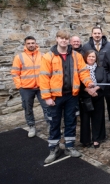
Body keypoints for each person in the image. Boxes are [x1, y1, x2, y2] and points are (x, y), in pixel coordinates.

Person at [40, 30, 94, 164]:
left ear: (69, 41)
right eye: (61, 38)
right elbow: (43, 78)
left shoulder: (76, 56)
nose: (63, 41)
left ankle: (69, 147)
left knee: (71, 122)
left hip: (71, 95)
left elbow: (83, 72)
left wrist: (88, 82)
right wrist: (47, 97)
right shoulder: (48, 57)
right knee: (54, 123)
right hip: (55, 97)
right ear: (57, 39)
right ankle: (53, 148)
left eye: (66, 39)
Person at [11, 36, 50, 137]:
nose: (31, 45)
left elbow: (48, 70)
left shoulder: (43, 55)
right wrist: (19, 86)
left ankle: (50, 125)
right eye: (28, 43)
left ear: (36, 44)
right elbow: (15, 73)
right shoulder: (19, 57)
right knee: (28, 108)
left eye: (32, 43)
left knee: (47, 107)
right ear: (25, 45)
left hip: (41, 87)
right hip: (26, 88)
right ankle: (31, 126)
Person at [82, 27, 110, 129]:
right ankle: (93, 125)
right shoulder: (86, 46)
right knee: (94, 103)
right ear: (91, 34)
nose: (97, 35)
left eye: (99, 33)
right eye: (95, 33)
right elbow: (83, 62)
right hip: (91, 78)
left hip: (106, 77)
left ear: (102, 34)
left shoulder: (109, 46)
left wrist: (108, 77)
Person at [79, 50, 107, 148]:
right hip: (85, 97)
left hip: (98, 96)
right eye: (89, 56)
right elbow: (78, 83)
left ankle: (97, 138)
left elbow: (104, 80)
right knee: (85, 119)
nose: (91, 58)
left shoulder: (100, 69)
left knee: (98, 118)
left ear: (96, 58)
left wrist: (95, 89)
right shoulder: (81, 69)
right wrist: (88, 90)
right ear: (86, 58)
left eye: (93, 57)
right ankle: (85, 140)